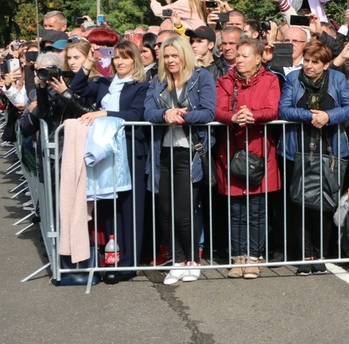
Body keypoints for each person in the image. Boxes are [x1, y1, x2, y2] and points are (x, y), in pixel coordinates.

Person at [68, 40, 150, 280]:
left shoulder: (140, 86)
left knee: (130, 207)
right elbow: (77, 88)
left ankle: (129, 263)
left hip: (131, 149)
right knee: (110, 204)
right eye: (116, 58)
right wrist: (90, 63)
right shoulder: (105, 83)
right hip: (108, 152)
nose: (121, 62)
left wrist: (104, 113)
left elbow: (136, 114)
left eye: (126, 57)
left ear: (135, 60)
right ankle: (112, 260)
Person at [278, 40, 349, 275]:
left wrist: (329, 116)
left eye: (315, 62)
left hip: (329, 151)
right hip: (297, 150)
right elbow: (283, 109)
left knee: (323, 204)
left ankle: (320, 255)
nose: (309, 66)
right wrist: (309, 116)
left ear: (325, 64)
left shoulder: (337, 79)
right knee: (299, 203)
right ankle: (305, 256)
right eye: (306, 61)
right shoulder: (293, 79)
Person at [144, 36, 217, 285]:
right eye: (166, 56)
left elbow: (209, 111)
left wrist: (182, 117)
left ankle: (192, 261)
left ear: (184, 55)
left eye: (175, 55)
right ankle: (177, 260)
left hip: (191, 152)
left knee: (184, 212)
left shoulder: (201, 77)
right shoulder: (158, 80)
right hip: (163, 151)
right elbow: (147, 111)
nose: (170, 60)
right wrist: (166, 114)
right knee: (165, 210)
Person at [215, 38, 281, 279]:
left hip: (259, 149)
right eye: (238, 56)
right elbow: (217, 109)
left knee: (257, 210)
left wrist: (253, 115)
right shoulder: (224, 81)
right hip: (232, 150)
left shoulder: (270, 79)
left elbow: (273, 109)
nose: (239, 60)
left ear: (258, 58)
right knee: (235, 210)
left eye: (244, 56)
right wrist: (233, 117)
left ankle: (254, 257)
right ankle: (237, 257)